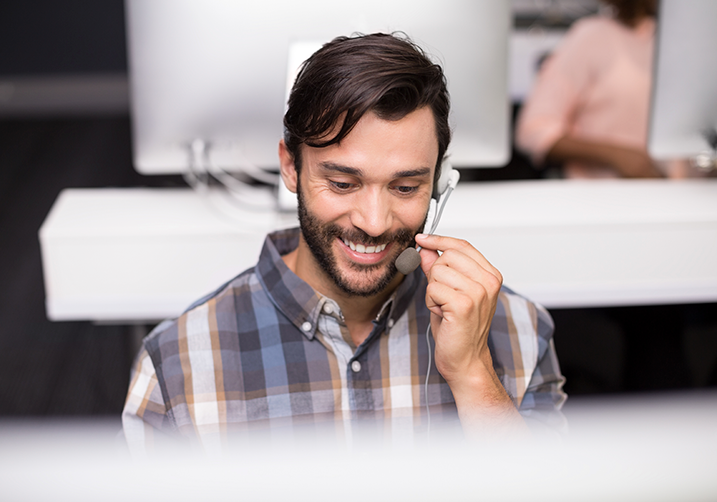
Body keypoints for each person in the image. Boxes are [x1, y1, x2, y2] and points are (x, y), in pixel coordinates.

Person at [122, 33, 566, 454]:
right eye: (342, 183)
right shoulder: (176, 364)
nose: (373, 223)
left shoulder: (519, 330)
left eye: (406, 188)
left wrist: (474, 375)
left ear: (438, 184)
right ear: (291, 168)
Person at [516, 0, 700, 179]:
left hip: (681, 197)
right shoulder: (592, 36)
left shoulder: (690, 43)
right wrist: (617, 156)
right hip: (604, 199)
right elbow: (534, 130)